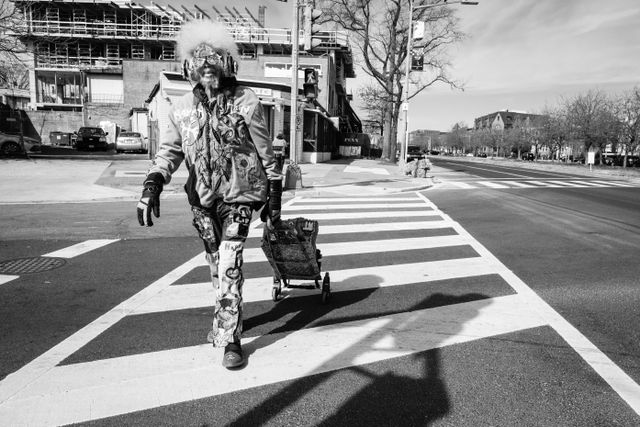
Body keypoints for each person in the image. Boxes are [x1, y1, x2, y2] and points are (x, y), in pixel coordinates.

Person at [136, 19, 282, 369]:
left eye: (214, 61)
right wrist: (152, 184)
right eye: (200, 63)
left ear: (227, 64)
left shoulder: (245, 100)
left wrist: (274, 194)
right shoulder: (181, 107)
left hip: (241, 197)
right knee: (216, 264)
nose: (207, 69)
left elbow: (265, 151)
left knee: (231, 261)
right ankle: (227, 314)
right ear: (189, 68)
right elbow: (169, 151)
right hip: (202, 201)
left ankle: (230, 337)